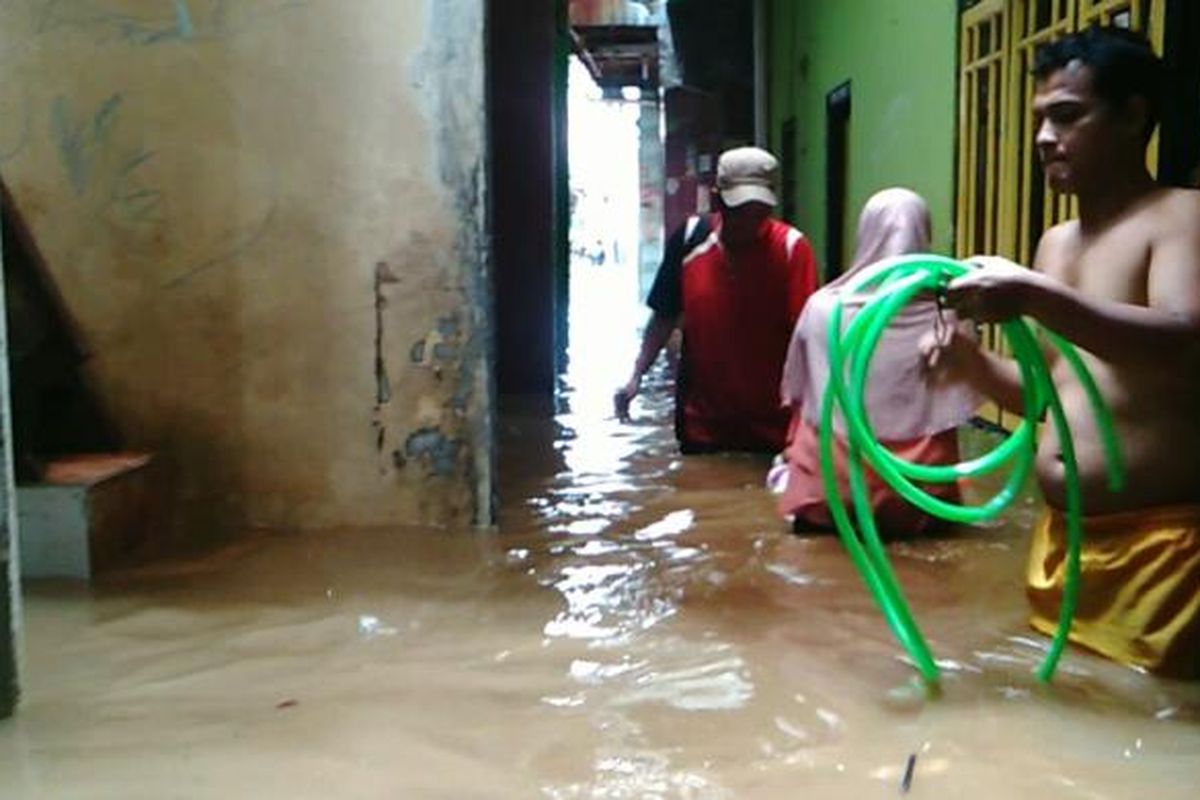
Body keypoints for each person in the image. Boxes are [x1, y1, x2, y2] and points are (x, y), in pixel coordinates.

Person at [925, 27, 1200, 677]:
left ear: (1134, 115)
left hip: (1165, 556)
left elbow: (1185, 341)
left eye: (1068, 116)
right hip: (1067, 548)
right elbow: (1053, 395)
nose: (1046, 137)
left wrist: (1037, 297)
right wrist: (969, 364)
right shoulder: (1055, 245)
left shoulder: (1180, 217)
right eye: (1040, 120)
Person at [772, 188, 979, 536]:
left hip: (833, 491)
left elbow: (797, 394)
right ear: (925, 235)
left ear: (864, 236)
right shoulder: (952, 313)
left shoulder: (824, 309)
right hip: (923, 497)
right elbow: (964, 398)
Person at [615, 146, 818, 453]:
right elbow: (663, 316)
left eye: (759, 211)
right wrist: (635, 377)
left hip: (774, 432)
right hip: (703, 427)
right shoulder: (690, 241)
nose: (751, 222)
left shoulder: (792, 250)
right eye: (741, 210)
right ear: (717, 198)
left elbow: (809, 342)